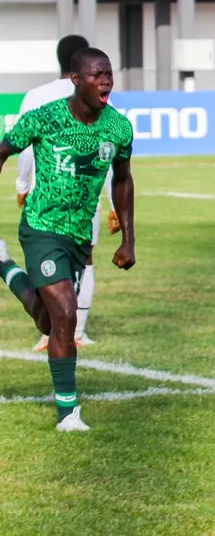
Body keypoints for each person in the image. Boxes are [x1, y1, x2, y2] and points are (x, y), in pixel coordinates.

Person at [0, 47, 136, 432]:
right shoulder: (45, 117)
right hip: (42, 227)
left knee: (49, 321)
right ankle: (68, 414)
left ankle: (4, 266)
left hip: (80, 235)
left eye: (109, 73)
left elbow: (123, 179)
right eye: (96, 74)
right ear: (75, 80)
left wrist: (128, 240)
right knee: (65, 316)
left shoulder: (118, 127)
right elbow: (4, 150)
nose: (105, 80)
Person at [17, 36, 119, 352]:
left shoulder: (36, 96)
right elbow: (109, 155)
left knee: (44, 261)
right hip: (84, 197)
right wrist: (114, 203)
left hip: (42, 195)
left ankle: (50, 331)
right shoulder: (100, 100)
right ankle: (77, 331)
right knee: (84, 259)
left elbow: (24, 148)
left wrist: (23, 186)